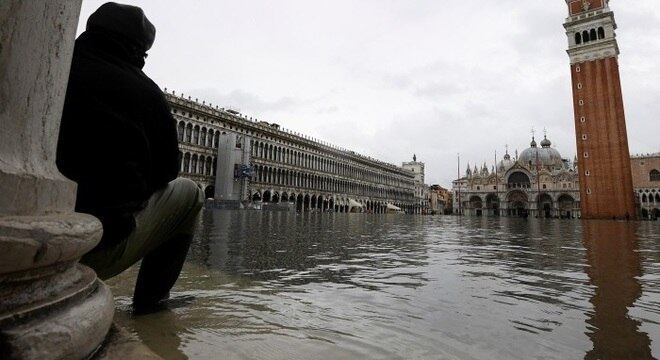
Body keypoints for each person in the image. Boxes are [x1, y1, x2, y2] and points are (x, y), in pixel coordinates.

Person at [56, 2, 202, 310]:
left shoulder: (48, 68)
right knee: (191, 192)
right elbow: (166, 173)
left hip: (35, 234)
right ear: (139, 51)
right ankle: (152, 300)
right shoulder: (145, 93)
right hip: (92, 248)